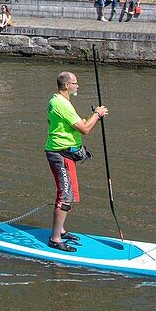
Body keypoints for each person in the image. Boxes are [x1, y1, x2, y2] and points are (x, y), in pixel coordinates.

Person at [46, 71, 109, 251]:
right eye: (75, 83)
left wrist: (89, 118)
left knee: (68, 193)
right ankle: (55, 238)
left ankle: (62, 230)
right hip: (60, 154)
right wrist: (97, 114)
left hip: (65, 153)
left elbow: (67, 125)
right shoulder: (61, 104)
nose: (77, 86)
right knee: (65, 196)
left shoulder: (58, 101)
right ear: (66, 85)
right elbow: (85, 130)